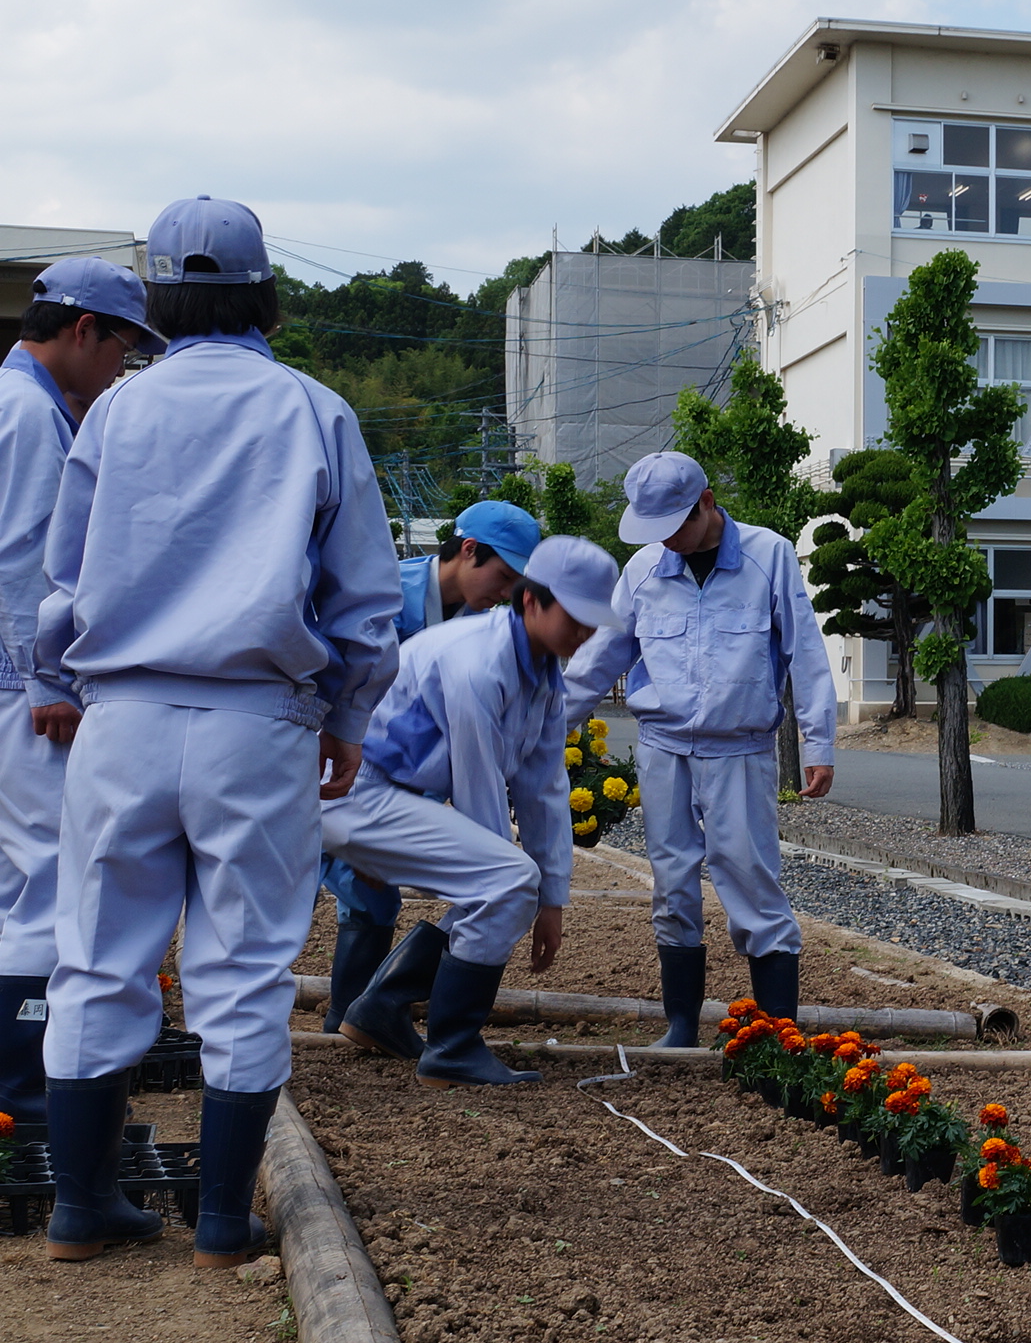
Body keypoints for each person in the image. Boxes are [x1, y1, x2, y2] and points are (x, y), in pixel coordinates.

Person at [34, 197, 400, 1265]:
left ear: (157, 295)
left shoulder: (116, 412)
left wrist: (60, 679)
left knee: (99, 960)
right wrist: (348, 715)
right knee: (240, 968)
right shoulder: (314, 409)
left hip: (125, 715)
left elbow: (64, 578)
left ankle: (80, 1208)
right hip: (258, 717)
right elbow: (365, 600)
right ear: (263, 294)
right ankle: (221, 1218)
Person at [563, 451, 837, 1044]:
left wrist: (820, 743)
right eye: (655, 531)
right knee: (671, 879)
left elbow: (806, 654)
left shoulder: (769, 556)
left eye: (677, 527)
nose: (669, 542)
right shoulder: (642, 570)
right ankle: (681, 1024)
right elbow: (602, 658)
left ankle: (777, 1033)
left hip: (739, 747)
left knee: (750, 876)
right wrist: (549, 727)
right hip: (663, 745)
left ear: (708, 502)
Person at [330, 537, 617, 1086]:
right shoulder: (479, 662)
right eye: (576, 618)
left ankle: (380, 1007)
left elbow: (546, 790)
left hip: (388, 797)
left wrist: (553, 897)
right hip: (353, 788)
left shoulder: (544, 679)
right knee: (504, 880)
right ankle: (453, 1048)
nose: (584, 635)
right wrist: (523, 888)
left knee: (506, 882)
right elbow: (480, 789)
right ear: (532, 600)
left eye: (593, 623)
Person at [0, 260, 165, 1125]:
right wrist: (46, 681)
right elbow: (25, 568)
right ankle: (23, 1092)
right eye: (122, 349)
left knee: (9, 879)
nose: (120, 370)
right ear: (82, 330)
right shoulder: (31, 417)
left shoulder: (13, 397)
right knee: (46, 873)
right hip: (17, 686)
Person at [318, 499, 541, 1037]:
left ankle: (355, 1015)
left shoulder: (480, 623)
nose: (507, 593)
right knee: (327, 887)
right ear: (468, 551)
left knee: (372, 892)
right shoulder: (383, 599)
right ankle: (345, 1017)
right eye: (503, 576)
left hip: (393, 779)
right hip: (335, 764)